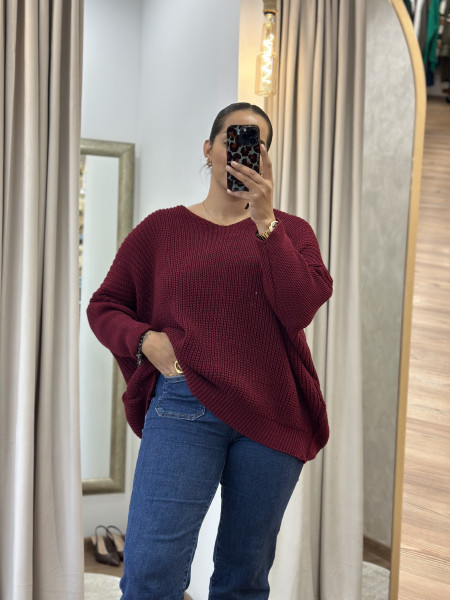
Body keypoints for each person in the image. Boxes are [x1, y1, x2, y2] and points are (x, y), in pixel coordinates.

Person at [87, 102, 333, 600]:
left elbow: (298, 309)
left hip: (271, 411)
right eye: (233, 139)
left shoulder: (291, 231)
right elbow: (105, 305)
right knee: (150, 573)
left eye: (256, 145)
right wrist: (144, 340)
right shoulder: (161, 230)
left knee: (244, 578)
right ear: (209, 148)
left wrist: (265, 222)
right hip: (184, 405)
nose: (243, 153)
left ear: (266, 159)